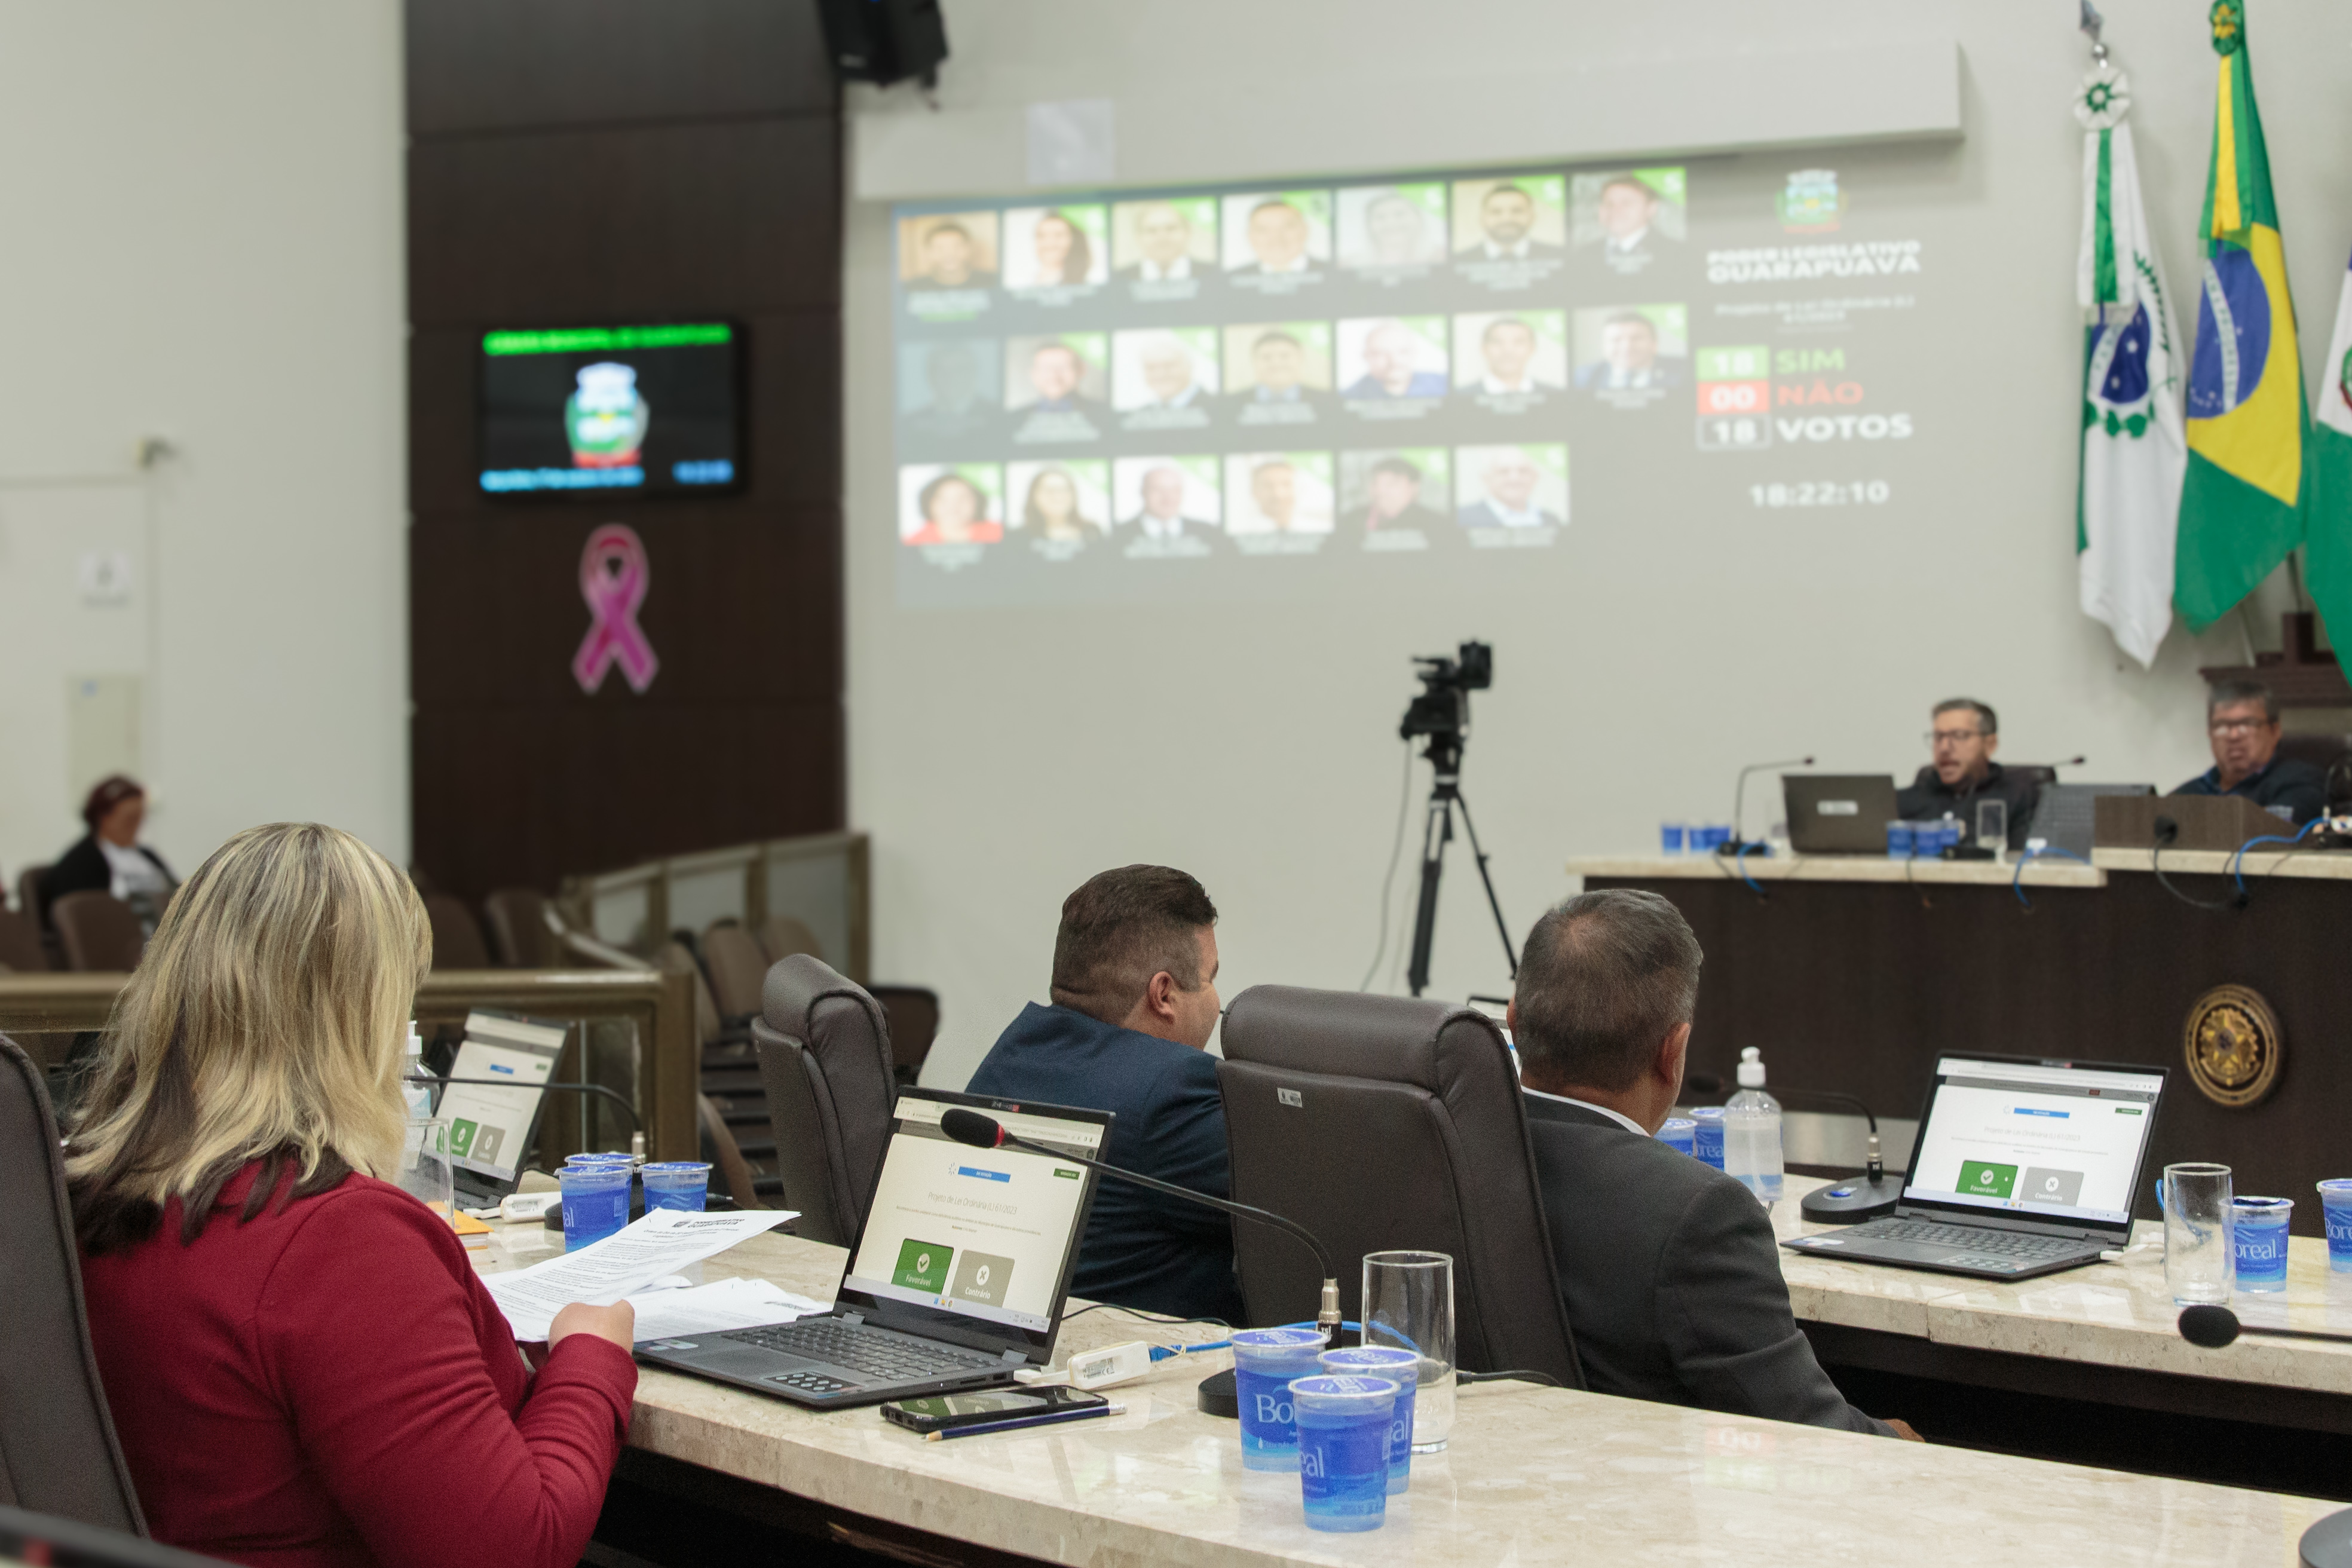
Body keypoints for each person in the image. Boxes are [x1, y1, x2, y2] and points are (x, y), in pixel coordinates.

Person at [69, 822, 639, 1567]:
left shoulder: (86, 1194)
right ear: (358, 1015)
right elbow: (510, 1552)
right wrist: (591, 1357)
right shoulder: (338, 1239)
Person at [1509, 889, 1916, 1439]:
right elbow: (1809, 1437)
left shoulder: (1437, 1153)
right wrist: (1901, 1445)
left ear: (1513, 1024)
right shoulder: (1699, 1212)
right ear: (1672, 1052)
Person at [964, 866, 1242, 1322]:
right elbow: (1306, 1203)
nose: (1218, 1002)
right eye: (1211, 978)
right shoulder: (1171, 1090)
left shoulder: (1012, 1054)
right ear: (1164, 994)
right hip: (1130, 1372)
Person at [2172, 679, 2327, 825]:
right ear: (2209, 734)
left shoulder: (2301, 782)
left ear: (2275, 730)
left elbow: (2274, 832)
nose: (2233, 736)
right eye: (2221, 727)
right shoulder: (2187, 795)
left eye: (2246, 725)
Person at [39, 775, 177, 933]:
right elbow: (80, 923)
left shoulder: (147, 855)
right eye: (129, 819)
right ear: (103, 817)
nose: (136, 826)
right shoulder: (81, 862)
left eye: (140, 818)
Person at [1896, 699, 2040, 847]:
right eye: (1938, 737)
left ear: (1990, 744)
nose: (1944, 748)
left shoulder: (2019, 795)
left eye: (1959, 736)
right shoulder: (1905, 801)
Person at [1228, 329, 1337, 420]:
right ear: (1254, 362)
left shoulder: (1329, 402)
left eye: (1285, 356)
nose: (1276, 363)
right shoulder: (1230, 405)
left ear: (1300, 360)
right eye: (1266, 357)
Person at [902, 342, 999, 443]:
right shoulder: (909, 424)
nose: (950, 377)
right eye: (941, 370)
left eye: (958, 370)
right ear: (930, 376)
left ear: (973, 373)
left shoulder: (997, 420)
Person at [1457, 449, 1562, 529]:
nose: (1515, 479)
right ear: (1487, 479)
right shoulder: (1461, 518)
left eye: (1523, 471)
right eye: (1504, 472)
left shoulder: (1552, 520)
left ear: (1535, 478)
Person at [1575, 311, 1679, 390]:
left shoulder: (1683, 373)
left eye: (1636, 338)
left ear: (1654, 343)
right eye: (1616, 340)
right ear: (1604, 346)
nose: (1627, 347)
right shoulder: (1582, 378)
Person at [1343, 321, 1446, 400]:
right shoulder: (1348, 397)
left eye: (1403, 352)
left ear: (1414, 353)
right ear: (1366, 356)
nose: (1394, 362)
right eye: (1381, 353)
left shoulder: (1443, 384)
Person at [1122, 463, 1221, 544]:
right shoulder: (1118, 536)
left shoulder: (1209, 534)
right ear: (1143, 492)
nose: (1168, 497)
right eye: (1158, 489)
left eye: (1175, 490)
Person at [1460, 182, 1562, 261]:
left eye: (1517, 211)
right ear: (1482, 218)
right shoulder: (1460, 260)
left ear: (1532, 217)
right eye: (1496, 212)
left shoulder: (1558, 255)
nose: (1507, 219)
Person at [1117, 201, 1215, 281]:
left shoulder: (1213, 275)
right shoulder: (1119, 279)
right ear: (1138, 237)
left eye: (1171, 228)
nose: (1162, 237)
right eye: (1152, 231)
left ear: (1187, 232)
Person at [1461, 316, 1554, 398]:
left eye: (1519, 342)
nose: (1508, 351)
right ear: (1484, 348)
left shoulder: (1553, 395)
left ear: (1532, 348)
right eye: (1497, 342)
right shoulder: (1462, 396)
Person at [1356, 456, 1449, 534]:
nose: (1380, 491)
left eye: (1391, 484)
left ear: (1414, 487)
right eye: (1375, 483)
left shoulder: (1437, 525)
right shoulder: (1351, 522)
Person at [905, 471, 1003, 546]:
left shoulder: (999, 533)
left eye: (963, 498)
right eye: (944, 499)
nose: (953, 506)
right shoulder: (913, 542)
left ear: (977, 502)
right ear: (929, 504)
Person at [1019, 341, 1108, 421]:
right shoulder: (1014, 420)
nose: (1054, 376)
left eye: (1063, 367)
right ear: (1033, 374)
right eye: (1046, 368)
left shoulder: (1105, 414)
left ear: (1081, 371)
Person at [1230, 198, 1316, 276]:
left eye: (1287, 226)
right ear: (1249, 236)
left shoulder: (1329, 275)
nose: (1276, 237)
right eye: (1263, 229)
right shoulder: (1231, 277)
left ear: (1305, 230)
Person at [1128, 334, 1212, 414]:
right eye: (1151, 367)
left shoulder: (1217, 408)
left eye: (1169, 365)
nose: (1160, 374)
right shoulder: (1139, 415)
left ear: (1190, 366)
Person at [1352, 190, 1439, 267]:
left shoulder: (1439, 256)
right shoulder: (1351, 263)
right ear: (1369, 224)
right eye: (1380, 217)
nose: (1391, 223)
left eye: (1399, 214)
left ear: (1418, 218)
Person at [1021, 467, 1104, 544]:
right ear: (1034, 496)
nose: (1058, 497)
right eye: (1050, 491)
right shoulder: (1020, 537)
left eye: (1064, 490)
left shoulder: (1092, 531)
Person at [1593, 175, 1667, 262]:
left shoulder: (1674, 253)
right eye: (1609, 204)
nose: (1615, 210)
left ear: (1651, 208)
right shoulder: (1583, 255)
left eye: (1626, 203)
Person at [1022, 209, 1094, 288]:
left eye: (1059, 235)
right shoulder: (1025, 283)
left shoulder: (1087, 283)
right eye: (1041, 236)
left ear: (1073, 240)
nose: (1050, 243)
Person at [914, 220, 994, 289]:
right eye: (940, 248)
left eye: (957, 246)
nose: (949, 254)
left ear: (968, 248)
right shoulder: (914, 287)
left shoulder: (991, 281)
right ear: (929, 252)